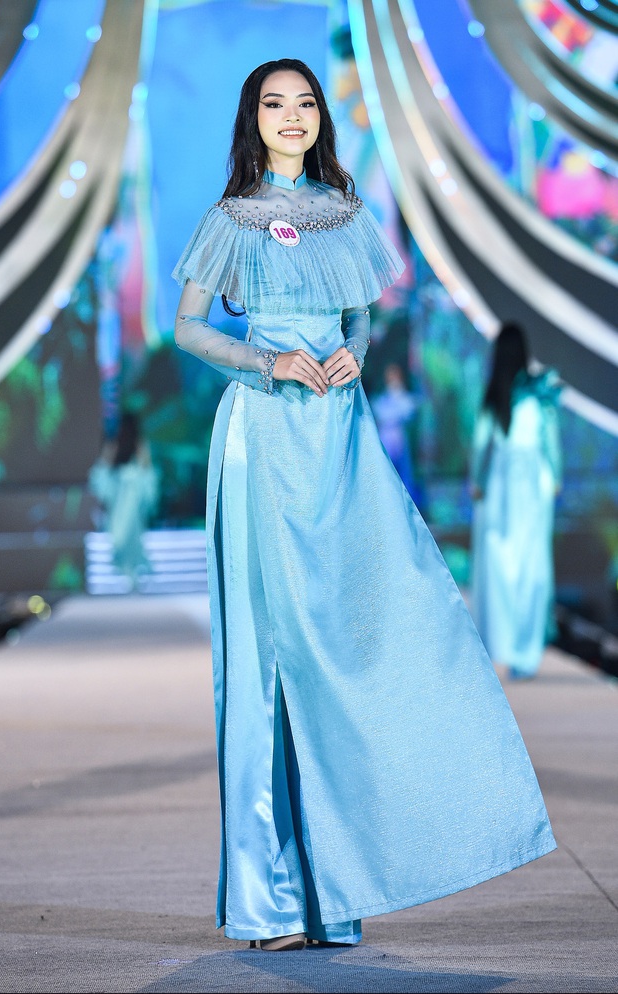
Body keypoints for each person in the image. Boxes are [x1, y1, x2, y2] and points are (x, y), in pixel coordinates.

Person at [172, 59, 556, 953]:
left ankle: (336, 892)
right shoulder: (230, 218)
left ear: (320, 118)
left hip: (338, 439)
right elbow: (188, 328)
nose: (292, 116)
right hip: (263, 435)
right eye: (275, 104)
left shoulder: (345, 213)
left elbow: (360, 317)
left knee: (351, 642)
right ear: (253, 119)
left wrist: (352, 347)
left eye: (305, 103)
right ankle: (270, 902)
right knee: (267, 661)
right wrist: (266, 361)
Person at [470, 322, 562, 680]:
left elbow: (481, 443)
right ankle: (525, 651)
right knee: (531, 565)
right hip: (532, 481)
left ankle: (503, 646)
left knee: (498, 564)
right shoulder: (538, 393)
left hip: (500, 481)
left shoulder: (495, 393)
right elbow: (549, 440)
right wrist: (555, 477)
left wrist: (477, 481)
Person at [88, 410, 158, 589]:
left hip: (133, 512)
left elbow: (149, 487)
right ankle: (127, 572)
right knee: (119, 540)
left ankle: (132, 572)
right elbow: (100, 485)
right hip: (117, 513)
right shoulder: (113, 452)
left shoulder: (140, 453)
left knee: (129, 540)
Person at [370, 362, 418, 501]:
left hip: (399, 439)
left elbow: (407, 411)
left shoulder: (406, 398)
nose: (391, 377)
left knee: (404, 474)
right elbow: (380, 414)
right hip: (385, 439)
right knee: (386, 472)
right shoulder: (381, 399)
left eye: (394, 374)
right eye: (389, 375)